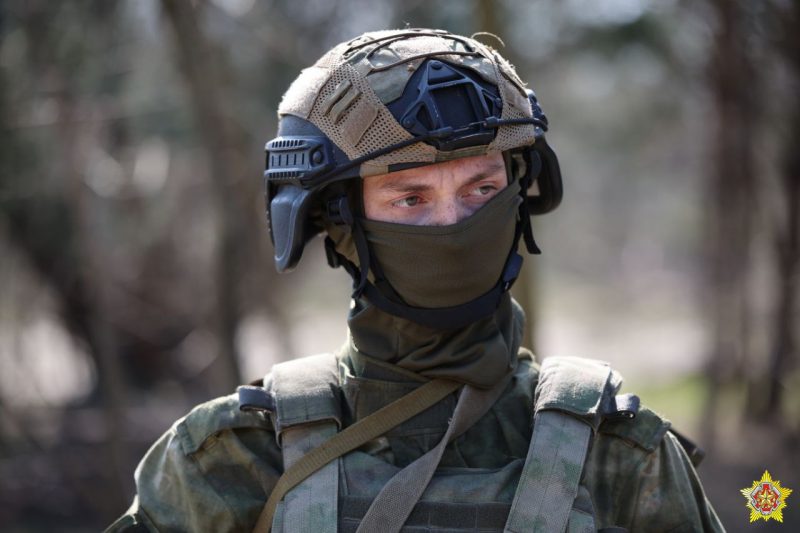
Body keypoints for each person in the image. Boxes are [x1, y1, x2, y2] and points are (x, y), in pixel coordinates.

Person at [108, 29, 724, 532]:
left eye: (482, 189)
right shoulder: (230, 462)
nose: (454, 225)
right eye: (411, 199)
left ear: (519, 194)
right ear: (337, 222)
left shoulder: (622, 458)